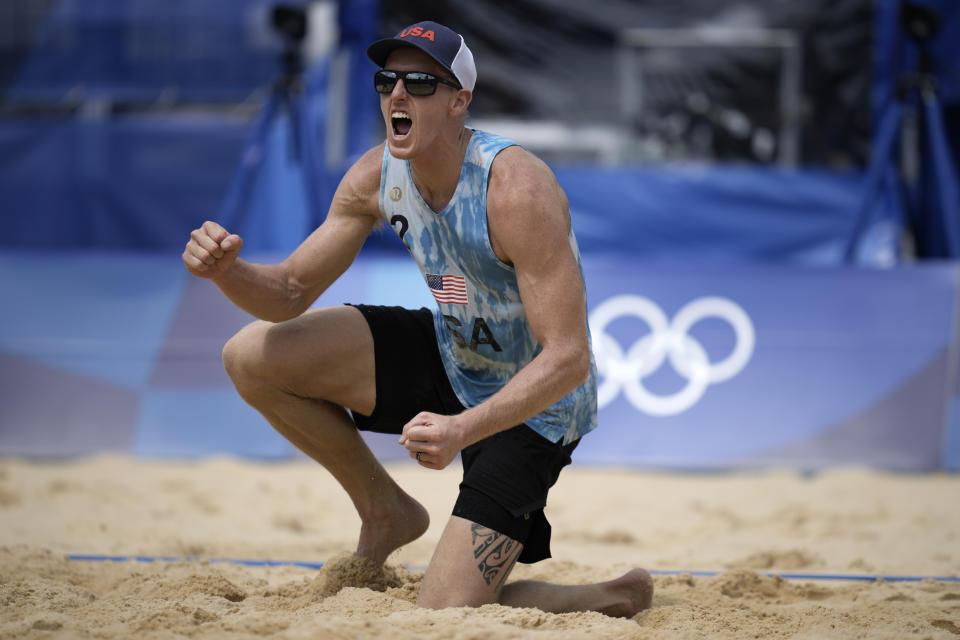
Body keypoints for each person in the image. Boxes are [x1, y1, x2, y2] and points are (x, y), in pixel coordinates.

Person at [182, 20, 652, 617]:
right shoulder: (376, 175)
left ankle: (607, 597)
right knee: (250, 356)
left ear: (460, 101)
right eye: (387, 81)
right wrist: (229, 271)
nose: (397, 95)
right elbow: (291, 290)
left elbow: (568, 358)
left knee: (444, 612)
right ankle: (386, 510)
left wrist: (462, 431)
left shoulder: (514, 189)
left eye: (420, 84)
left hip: (536, 406)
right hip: (454, 355)